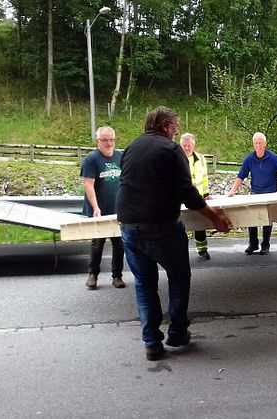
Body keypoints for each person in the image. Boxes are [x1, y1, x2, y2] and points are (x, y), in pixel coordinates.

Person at [117, 106, 232, 361]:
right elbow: (188, 193)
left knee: (144, 284)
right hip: (161, 227)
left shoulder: (131, 147)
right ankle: (178, 332)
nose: (177, 131)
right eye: (175, 126)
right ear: (166, 126)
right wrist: (215, 218)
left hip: (128, 227)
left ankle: (151, 343)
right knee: (179, 277)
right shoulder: (171, 150)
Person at [228, 132, 277, 255]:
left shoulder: (272, 157)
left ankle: (265, 245)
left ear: (265, 144)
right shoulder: (249, 159)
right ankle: (253, 244)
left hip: (270, 193)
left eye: (260, 143)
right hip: (255, 193)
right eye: (256, 143)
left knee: (267, 220)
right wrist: (233, 190)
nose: (258, 145)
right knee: (251, 219)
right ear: (253, 144)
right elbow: (241, 175)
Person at [81, 126, 125, 290]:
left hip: (117, 209)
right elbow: (88, 185)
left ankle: (117, 276)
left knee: (119, 244)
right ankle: (93, 274)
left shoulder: (120, 156)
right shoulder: (91, 159)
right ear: (97, 141)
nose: (109, 143)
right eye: (105, 140)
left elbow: (127, 180)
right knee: (97, 243)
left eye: (111, 139)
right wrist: (95, 207)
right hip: (98, 209)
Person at [179, 132, 212, 260]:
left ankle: (202, 249)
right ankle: (181, 252)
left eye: (189, 145)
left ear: (194, 145)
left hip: (196, 198)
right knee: (181, 226)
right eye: (184, 145)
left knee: (200, 224)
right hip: (179, 198)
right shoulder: (176, 158)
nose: (187, 148)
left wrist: (206, 193)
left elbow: (204, 178)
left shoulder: (201, 158)